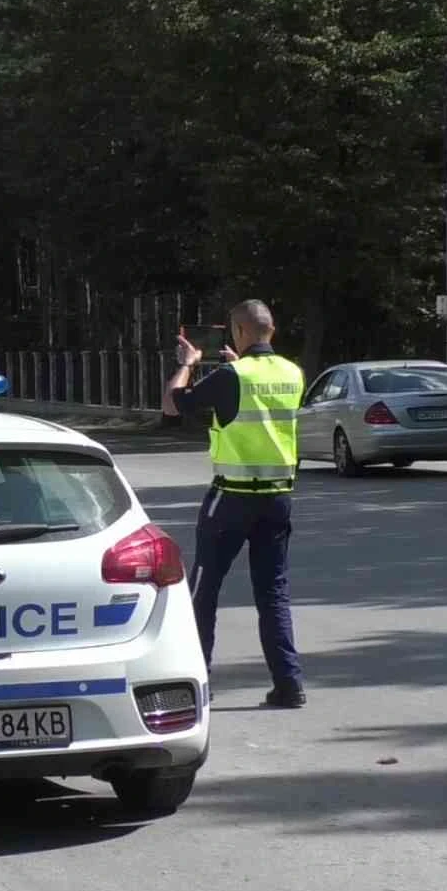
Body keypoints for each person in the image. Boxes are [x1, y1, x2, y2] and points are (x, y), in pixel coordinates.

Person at [162, 300, 308, 708]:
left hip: (231, 498)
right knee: (273, 592)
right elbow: (258, 402)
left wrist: (189, 363)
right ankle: (289, 684)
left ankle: (198, 683)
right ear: (272, 330)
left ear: (239, 333)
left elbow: (173, 404)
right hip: (277, 498)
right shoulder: (292, 373)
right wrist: (237, 364)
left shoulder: (231, 375)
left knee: (204, 590)